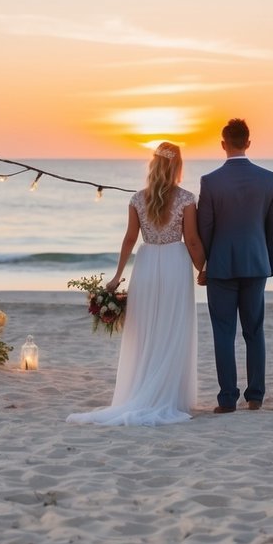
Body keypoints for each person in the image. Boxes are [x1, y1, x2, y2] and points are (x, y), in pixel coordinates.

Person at [67, 141, 206, 426]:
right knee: (172, 326)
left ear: (153, 165)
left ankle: (143, 388)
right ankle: (169, 395)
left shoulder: (137, 199)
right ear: (177, 165)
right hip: (175, 265)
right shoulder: (187, 199)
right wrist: (203, 268)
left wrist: (118, 275)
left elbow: (130, 239)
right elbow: (192, 240)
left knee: (146, 329)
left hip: (145, 264)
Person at [197, 118, 273, 413]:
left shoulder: (210, 181)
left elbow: (204, 228)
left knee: (223, 332)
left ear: (223, 144)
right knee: (254, 331)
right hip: (257, 265)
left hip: (221, 266)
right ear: (248, 142)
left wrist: (204, 264)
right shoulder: (268, 178)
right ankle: (256, 396)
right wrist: (268, 263)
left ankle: (227, 399)